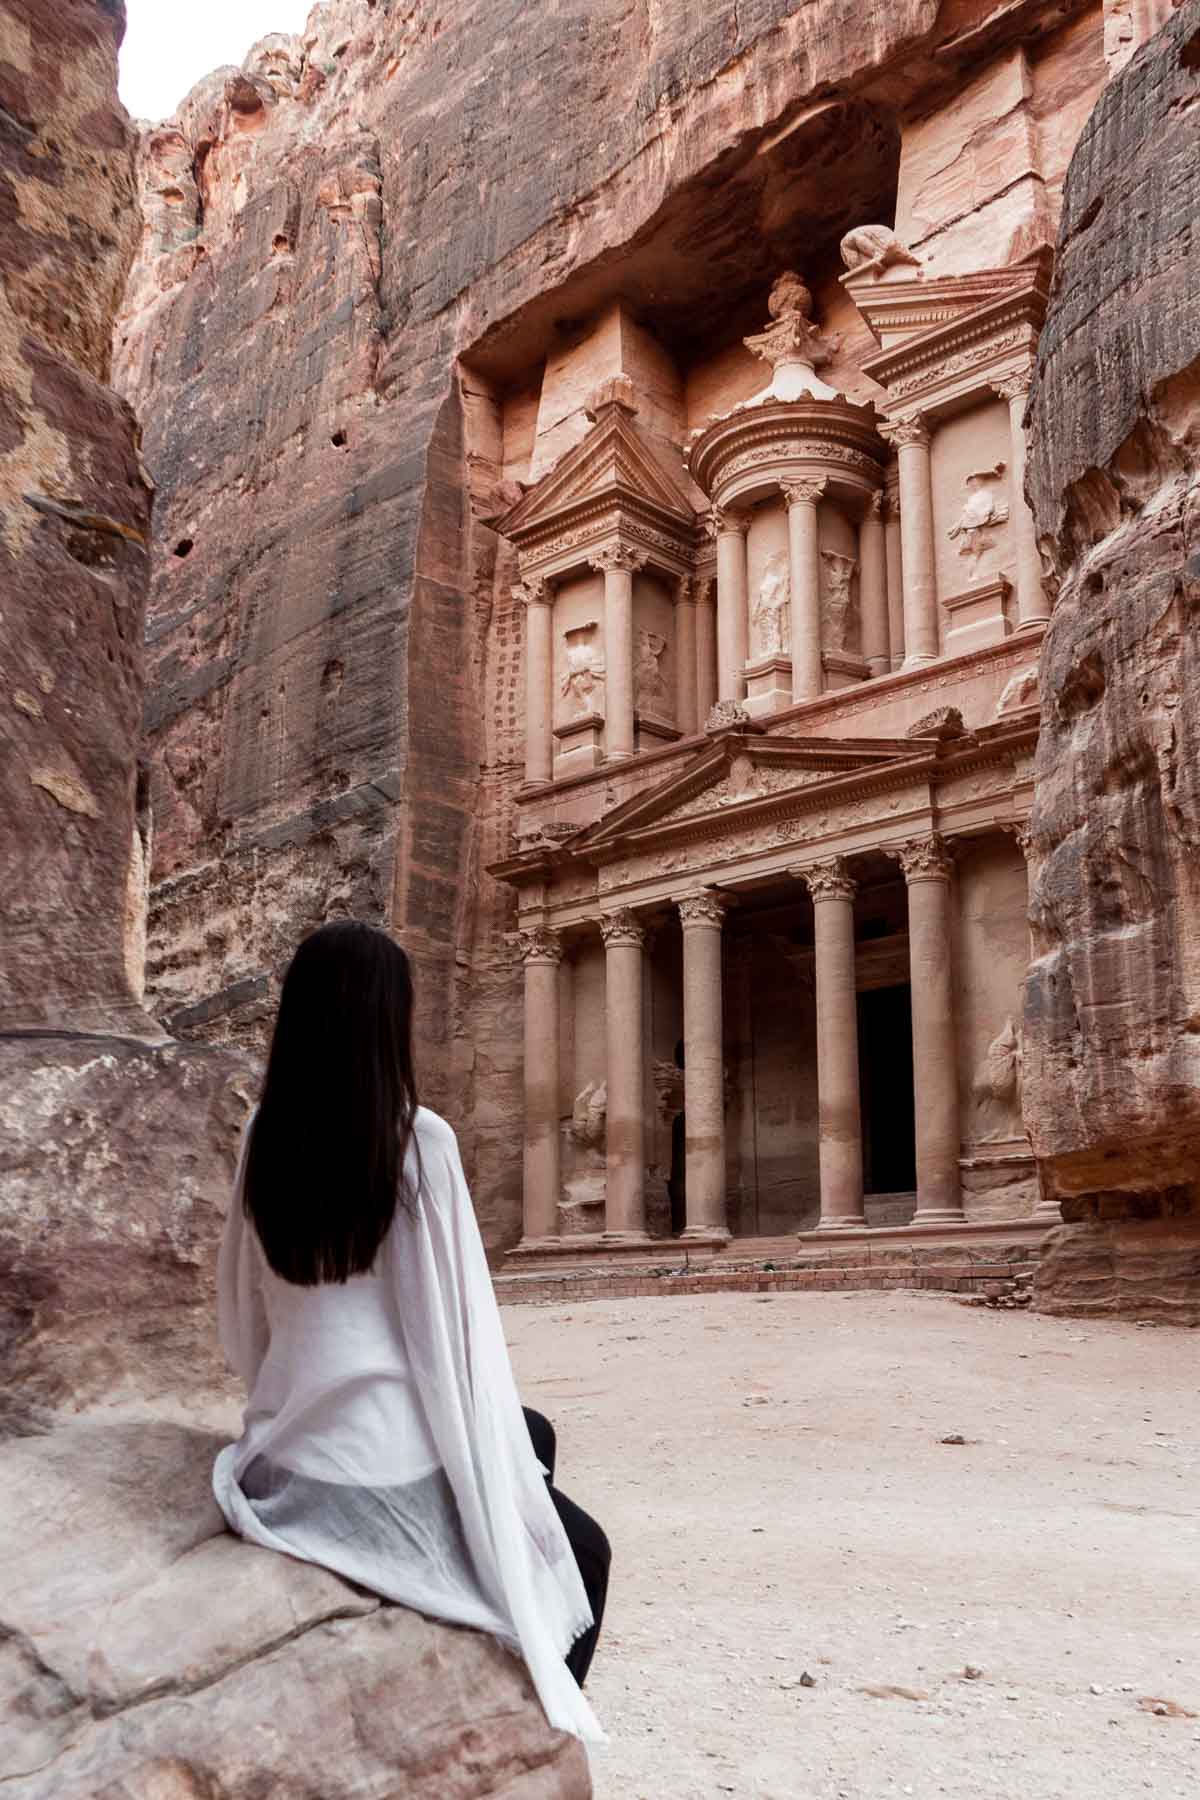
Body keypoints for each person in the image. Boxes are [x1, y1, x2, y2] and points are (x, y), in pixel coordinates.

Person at [214, 920, 607, 1743]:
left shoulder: (260, 1135)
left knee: (537, 1433)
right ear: (386, 1019)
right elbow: (451, 1339)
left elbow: (244, 1314)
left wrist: (280, 1405)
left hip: (284, 1449)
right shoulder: (417, 1139)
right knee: (584, 1549)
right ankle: (525, 1737)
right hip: (369, 1467)